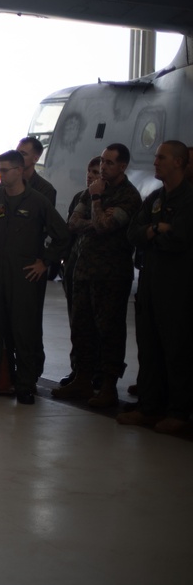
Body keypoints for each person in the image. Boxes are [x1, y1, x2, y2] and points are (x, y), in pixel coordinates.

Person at [0, 150, 69, 405]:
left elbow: (63, 235)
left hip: (23, 276)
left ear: (20, 171)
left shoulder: (37, 201)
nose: (1, 173)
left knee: (24, 332)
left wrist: (45, 261)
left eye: (5, 169)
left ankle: (25, 385)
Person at [53, 144, 141, 407]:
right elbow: (73, 223)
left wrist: (95, 203)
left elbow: (104, 227)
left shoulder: (128, 196)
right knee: (82, 328)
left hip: (111, 276)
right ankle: (82, 379)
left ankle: (108, 387)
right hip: (83, 271)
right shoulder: (91, 190)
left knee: (109, 332)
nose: (103, 167)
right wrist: (96, 218)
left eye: (110, 163)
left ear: (122, 166)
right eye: (102, 161)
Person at [118, 140, 193, 434]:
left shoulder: (189, 199)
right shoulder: (155, 198)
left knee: (176, 349)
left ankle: (177, 410)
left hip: (178, 286)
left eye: (161, 157)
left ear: (178, 162)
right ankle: (149, 407)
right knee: (148, 347)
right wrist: (155, 229)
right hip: (149, 282)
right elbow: (134, 233)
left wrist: (157, 234)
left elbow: (180, 239)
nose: (155, 162)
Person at [56, 156, 101, 388]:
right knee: (78, 323)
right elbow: (70, 229)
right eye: (89, 171)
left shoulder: (105, 200)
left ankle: (99, 372)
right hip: (75, 268)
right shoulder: (79, 198)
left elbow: (101, 227)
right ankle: (79, 369)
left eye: (95, 172)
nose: (90, 176)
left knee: (99, 326)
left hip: (100, 272)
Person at [16, 136, 57, 206]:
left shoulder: (45, 190)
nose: (17, 157)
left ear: (35, 159)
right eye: (16, 153)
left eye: (23, 154)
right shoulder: (7, 183)